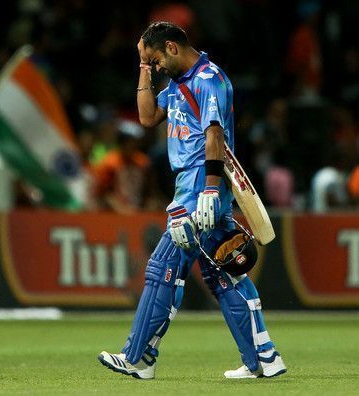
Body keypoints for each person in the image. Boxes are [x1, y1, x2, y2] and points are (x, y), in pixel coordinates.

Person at [98, 22, 286, 380]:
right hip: (189, 183)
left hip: (201, 183)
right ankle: (263, 357)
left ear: (171, 47)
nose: (155, 68)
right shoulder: (178, 84)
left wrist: (212, 190)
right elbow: (147, 116)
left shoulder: (208, 79)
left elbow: (214, 133)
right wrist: (142, 66)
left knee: (161, 269)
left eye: (154, 60)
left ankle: (139, 357)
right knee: (223, 272)